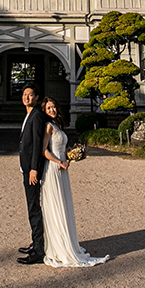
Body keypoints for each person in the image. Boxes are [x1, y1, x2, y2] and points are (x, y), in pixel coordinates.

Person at [39, 96, 109, 268]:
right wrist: (59, 162)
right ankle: (58, 246)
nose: (52, 110)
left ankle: (67, 242)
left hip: (63, 169)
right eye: (48, 108)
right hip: (54, 170)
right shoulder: (48, 126)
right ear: (44, 111)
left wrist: (71, 154)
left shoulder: (57, 125)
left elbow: (60, 147)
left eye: (54, 107)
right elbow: (44, 151)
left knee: (64, 205)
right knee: (56, 207)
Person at [16, 83, 47, 265]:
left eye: (30, 95)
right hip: (26, 168)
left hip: (31, 171)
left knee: (34, 208)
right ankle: (36, 242)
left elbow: (36, 145)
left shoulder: (36, 116)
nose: (26, 97)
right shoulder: (30, 115)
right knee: (32, 207)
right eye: (24, 94)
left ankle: (38, 250)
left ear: (36, 98)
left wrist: (34, 168)